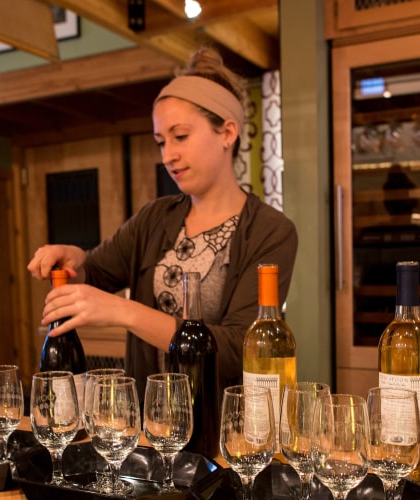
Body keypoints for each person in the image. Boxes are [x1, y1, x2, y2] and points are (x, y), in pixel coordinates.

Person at [27, 47, 298, 406]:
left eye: (180, 137)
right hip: (151, 425)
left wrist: (124, 311)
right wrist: (73, 256)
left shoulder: (270, 231)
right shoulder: (154, 218)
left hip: (228, 432)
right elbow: (93, 272)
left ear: (227, 132)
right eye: (160, 141)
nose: (167, 155)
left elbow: (240, 348)